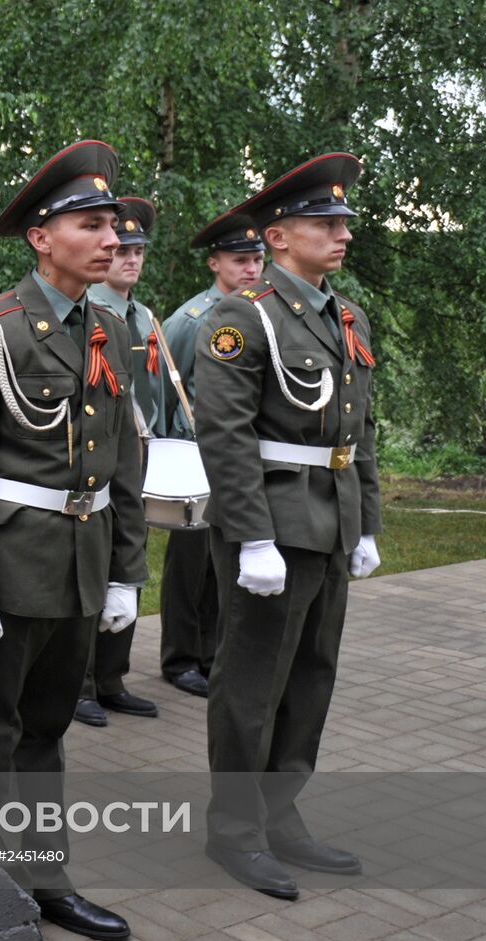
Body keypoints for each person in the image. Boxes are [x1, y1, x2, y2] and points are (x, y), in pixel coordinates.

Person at [0, 140, 146, 941]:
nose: (109, 238)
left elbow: (124, 463)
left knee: (48, 733)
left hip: (81, 562)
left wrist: (129, 568)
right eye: (90, 225)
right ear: (40, 238)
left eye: (112, 224)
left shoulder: (113, 332)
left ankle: (41, 875)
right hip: (10, 566)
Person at [195, 153, 380, 900]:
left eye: (343, 223)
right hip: (273, 527)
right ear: (277, 238)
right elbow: (226, 435)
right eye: (323, 223)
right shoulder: (243, 317)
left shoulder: (346, 317)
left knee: (310, 679)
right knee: (250, 684)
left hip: (330, 521)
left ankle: (281, 815)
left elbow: (359, 431)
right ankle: (234, 830)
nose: (341, 235)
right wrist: (254, 537)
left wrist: (365, 521)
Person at [156, 211, 265, 697]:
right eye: (240, 260)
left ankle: (214, 651)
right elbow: (164, 382)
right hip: (195, 454)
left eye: (258, 259)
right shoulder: (190, 320)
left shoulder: (263, 311)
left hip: (245, 454)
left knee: (230, 556)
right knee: (190, 562)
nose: (251, 269)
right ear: (214, 262)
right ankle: (180, 657)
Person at [76, 196, 162, 726]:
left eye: (137, 250)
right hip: (91, 458)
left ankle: (112, 677)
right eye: (121, 247)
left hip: (138, 453)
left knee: (127, 563)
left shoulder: (143, 317)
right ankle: (80, 682)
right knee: (90, 568)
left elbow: (159, 391)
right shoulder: (88, 310)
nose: (128, 257)